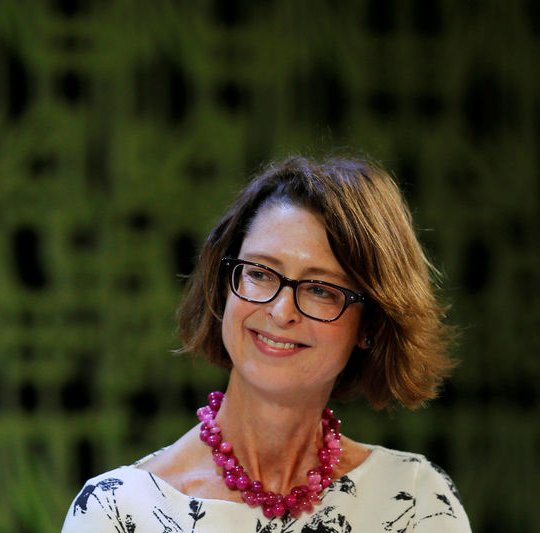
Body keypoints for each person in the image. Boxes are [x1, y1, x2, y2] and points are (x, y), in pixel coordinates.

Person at [61, 155, 471, 532]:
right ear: (225, 288)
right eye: (259, 273)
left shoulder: (415, 502)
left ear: (371, 324)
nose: (280, 311)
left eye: (320, 289)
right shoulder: (117, 511)